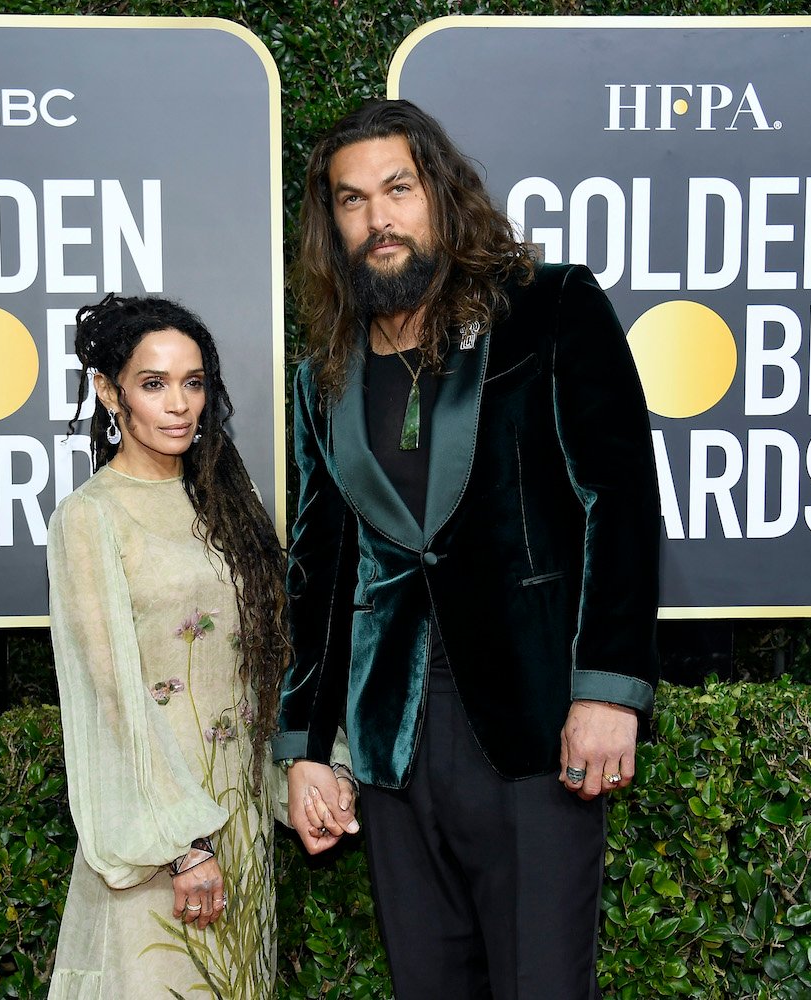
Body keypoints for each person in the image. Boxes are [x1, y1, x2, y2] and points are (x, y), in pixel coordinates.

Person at [274, 99, 661, 999]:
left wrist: (607, 687)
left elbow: (622, 500)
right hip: (392, 744)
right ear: (331, 225)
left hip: (532, 724)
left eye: (398, 189)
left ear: (441, 194)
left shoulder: (550, 309)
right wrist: (304, 746)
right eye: (352, 200)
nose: (379, 218)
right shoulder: (322, 379)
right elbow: (317, 573)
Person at [46, 294, 326, 999]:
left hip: (241, 830)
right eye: (154, 383)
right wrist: (184, 846)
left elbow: (273, 659)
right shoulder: (90, 517)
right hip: (159, 845)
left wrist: (315, 770)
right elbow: (115, 697)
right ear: (110, 393)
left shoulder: (231, 501)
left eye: (193, 383)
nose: (179, 405)